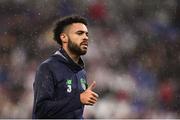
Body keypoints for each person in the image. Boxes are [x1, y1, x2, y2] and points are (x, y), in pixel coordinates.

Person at [32, 15, 99, 119]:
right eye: (79, 33)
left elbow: (74, 115)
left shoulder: (81, 73)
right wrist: (78, 99)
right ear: (64, 37)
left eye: (86, 34)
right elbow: (41, 110)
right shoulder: (48, 68)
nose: (85, 37)